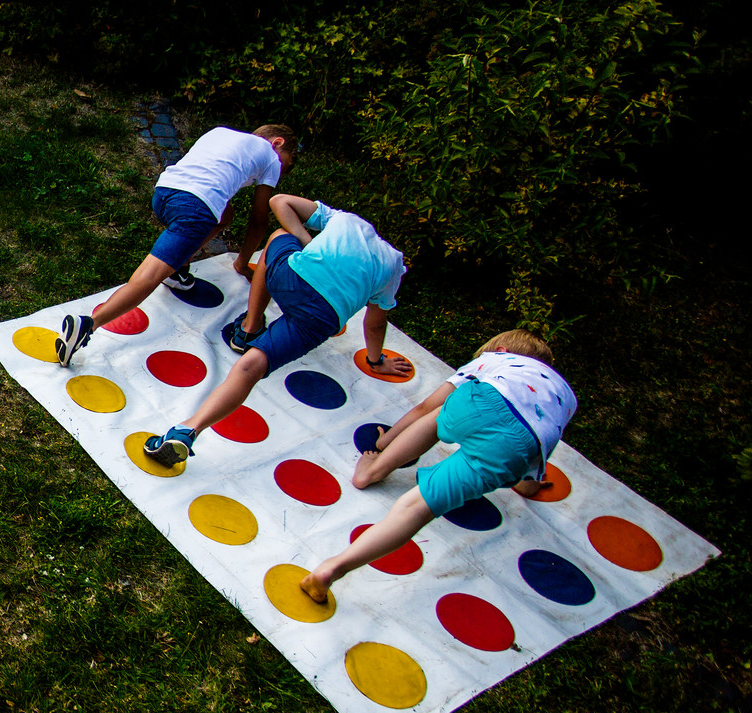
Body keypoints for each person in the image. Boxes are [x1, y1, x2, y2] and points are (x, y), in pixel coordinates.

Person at [300, 329, 577, 602]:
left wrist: (386, 441)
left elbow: (425, 407)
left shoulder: (499, 360)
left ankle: (374, 469)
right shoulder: (564, 395)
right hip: (519, 448)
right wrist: (527, 485)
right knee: (416, 508)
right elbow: (536, 446)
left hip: (481, 404)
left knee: (437, 414)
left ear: (501, 351)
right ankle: (331, 570)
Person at [143, 193, 412, 466]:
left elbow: (279, 201)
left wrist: (305, 240)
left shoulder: (347, 221)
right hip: (322, 318)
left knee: (279, 235)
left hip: (290, 278)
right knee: (251, 367)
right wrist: (375, 361)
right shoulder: (394, 266)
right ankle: (189, 429)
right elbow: (375, 323)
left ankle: (250, 326)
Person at [54, 125, 300, 368]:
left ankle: (177, 270)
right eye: (284, 164)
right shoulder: (270, 157)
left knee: (225, 215)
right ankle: (88, 324)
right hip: (194, 210)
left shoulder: (222, 133)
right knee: (148, 277)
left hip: (164, 193)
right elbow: (259, 220)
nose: (280, 171)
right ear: (277, 143)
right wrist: (242, 263)